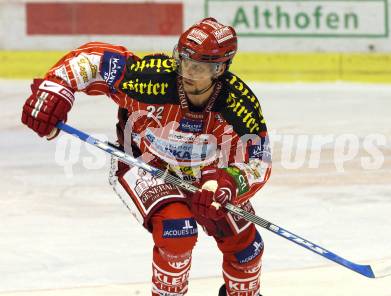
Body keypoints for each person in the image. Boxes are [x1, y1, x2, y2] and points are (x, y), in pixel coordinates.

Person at [21, 17, 271, 296]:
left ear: (220, 69)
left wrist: (227, 184)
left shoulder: (239, 104)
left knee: (247, 249)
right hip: (144, 162)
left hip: (206, 176)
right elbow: (93, 60)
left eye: (199, 66)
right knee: (177, 231)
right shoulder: (149, 79)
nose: (187, 71)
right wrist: (56, 88)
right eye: (184, 60)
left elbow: (258, 161)